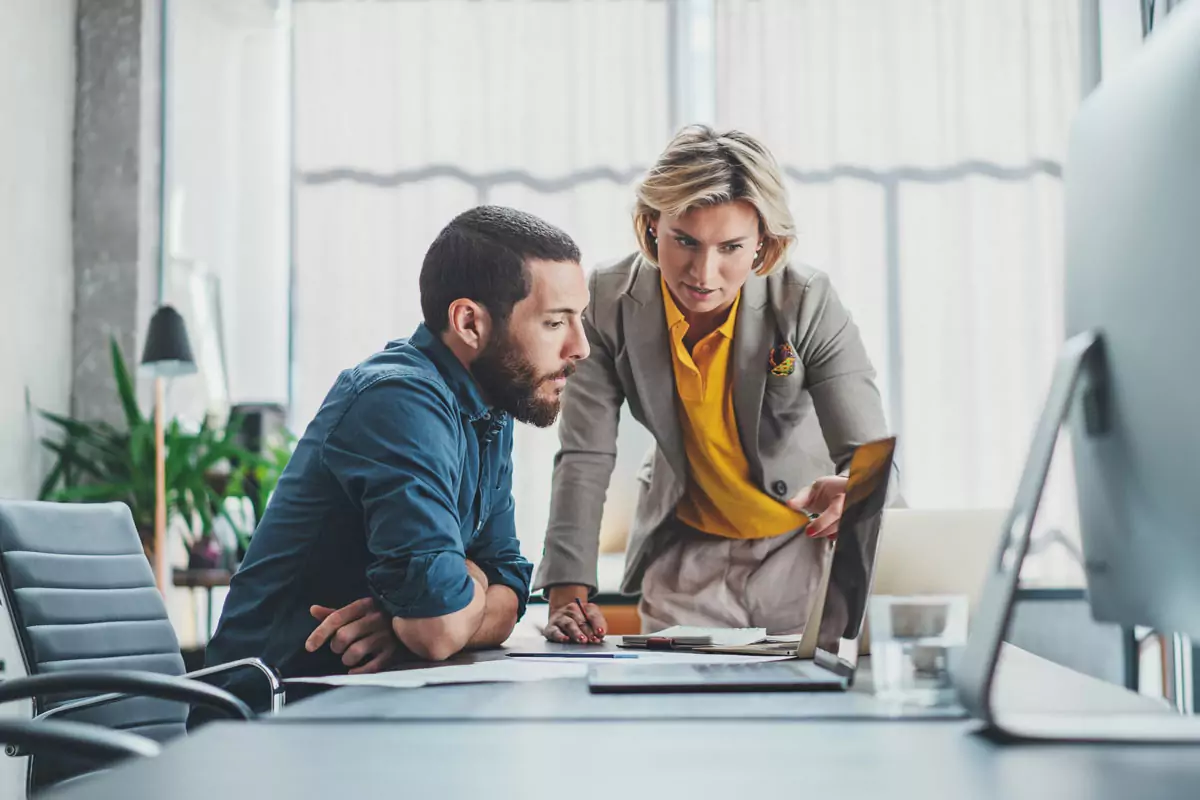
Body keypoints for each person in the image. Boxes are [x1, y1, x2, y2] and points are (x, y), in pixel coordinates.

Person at [203, 206, 590, 700]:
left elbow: (509, 584)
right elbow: (438, 629)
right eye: (556, 323)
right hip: (269, 719)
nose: (581, 347)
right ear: (470, 322)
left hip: (364, 706)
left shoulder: (490, 408)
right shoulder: (398, 402)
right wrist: (449, 597)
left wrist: (410, 614)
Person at [537, 125, 889, 644]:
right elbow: (585, 453)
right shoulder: (607, 300)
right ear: (652, 225)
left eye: (730, 247)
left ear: (763, 244)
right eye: (684, 241)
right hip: (686, 561)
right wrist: (567, 592)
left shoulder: (806, 299)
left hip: (799, 554)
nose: (704, 272)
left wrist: (856, 493)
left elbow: (869, 454)